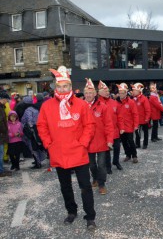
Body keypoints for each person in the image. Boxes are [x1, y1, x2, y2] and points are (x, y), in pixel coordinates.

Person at [37, 66, 96, 230]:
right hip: (59, 152)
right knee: (65, 186)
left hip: (79, 152)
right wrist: (48, 144)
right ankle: (71, 211)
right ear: (56, 87)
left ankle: (90, 216)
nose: (63, 89)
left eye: (66, 86)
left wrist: (83, 143)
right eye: (60, 86)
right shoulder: (47, 106)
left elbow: (89, 125)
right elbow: (42, 126)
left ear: (71, 87)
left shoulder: (82, 105)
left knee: (85, 186)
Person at [84, 78, 114, 195]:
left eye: (90, 93)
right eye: (86, 93)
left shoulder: (102, 106)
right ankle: (95, 178)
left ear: (95, 93)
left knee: (102, 165)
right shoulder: (81, 106)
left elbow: (109, 125)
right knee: (91, 165)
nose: (88, 95)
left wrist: (110, 140)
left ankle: (102, 184)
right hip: (88, 142)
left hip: (101, 141)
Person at [98, 80, 124, 173]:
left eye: (108, 91)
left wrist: (121, 127)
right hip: (104, 132)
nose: (107, 92)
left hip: (115, 130)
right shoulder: (97, 103)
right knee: (106, 150)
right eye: (105, 91)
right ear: (99, 92)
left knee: (117, 147)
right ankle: (107, 166)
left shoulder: (114, 102)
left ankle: (116, 162)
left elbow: (119, 116)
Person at [21, 96, 46, 169]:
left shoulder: (28, 110)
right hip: (37, 129)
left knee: (32, 147)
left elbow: (29, 120)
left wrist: (30, 129)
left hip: (31, 131)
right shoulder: (35, 109)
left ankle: (38, 163)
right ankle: (39, 160)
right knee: (37, 146)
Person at [117, 83, 139, 163]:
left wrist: (136, 125)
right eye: (120, 93)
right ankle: (128, 155)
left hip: (129, 126)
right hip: (120, 127)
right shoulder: (116, 102)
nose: (121, 94)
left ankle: (134, 155)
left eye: (123, 93)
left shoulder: (131, 102)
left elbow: (135, 114)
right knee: (124, 142)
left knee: (131, 141)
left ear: (126, 93)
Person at [132, 83, 151, 149]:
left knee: (145, 132)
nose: (133, 91)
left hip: (143, 119)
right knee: (137, 132)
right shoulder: (133, 99)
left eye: (134, 90)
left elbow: (147, 109)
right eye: (133, 90)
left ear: (139, 91)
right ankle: (137, 144)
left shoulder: (144, 99)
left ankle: (145, 144)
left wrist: (147, 118)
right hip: (137, 120)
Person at [0, 92, 12, 177]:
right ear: (3, 99)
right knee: (0, 153)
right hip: (0, 134)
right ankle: (1, 171)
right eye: (6, 100)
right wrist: (5, 130)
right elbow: (0, 121)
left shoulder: (2, 107)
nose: (7, 102)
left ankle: (2, 170)